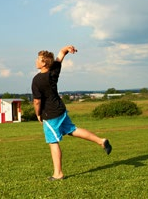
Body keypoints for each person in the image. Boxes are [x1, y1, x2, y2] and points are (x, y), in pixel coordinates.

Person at [31, 45, 112, 181]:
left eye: (38, 59)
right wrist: (67, 49)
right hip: (61, 110)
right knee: (72, 130)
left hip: (50, 114)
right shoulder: (54, 71)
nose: (36, 61)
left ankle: (58, 174)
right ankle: (101, 141)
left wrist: (38, 114)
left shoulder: (37, 80)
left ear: (44, 63)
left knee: (53, 142)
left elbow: (37, 101)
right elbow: (60, 55)